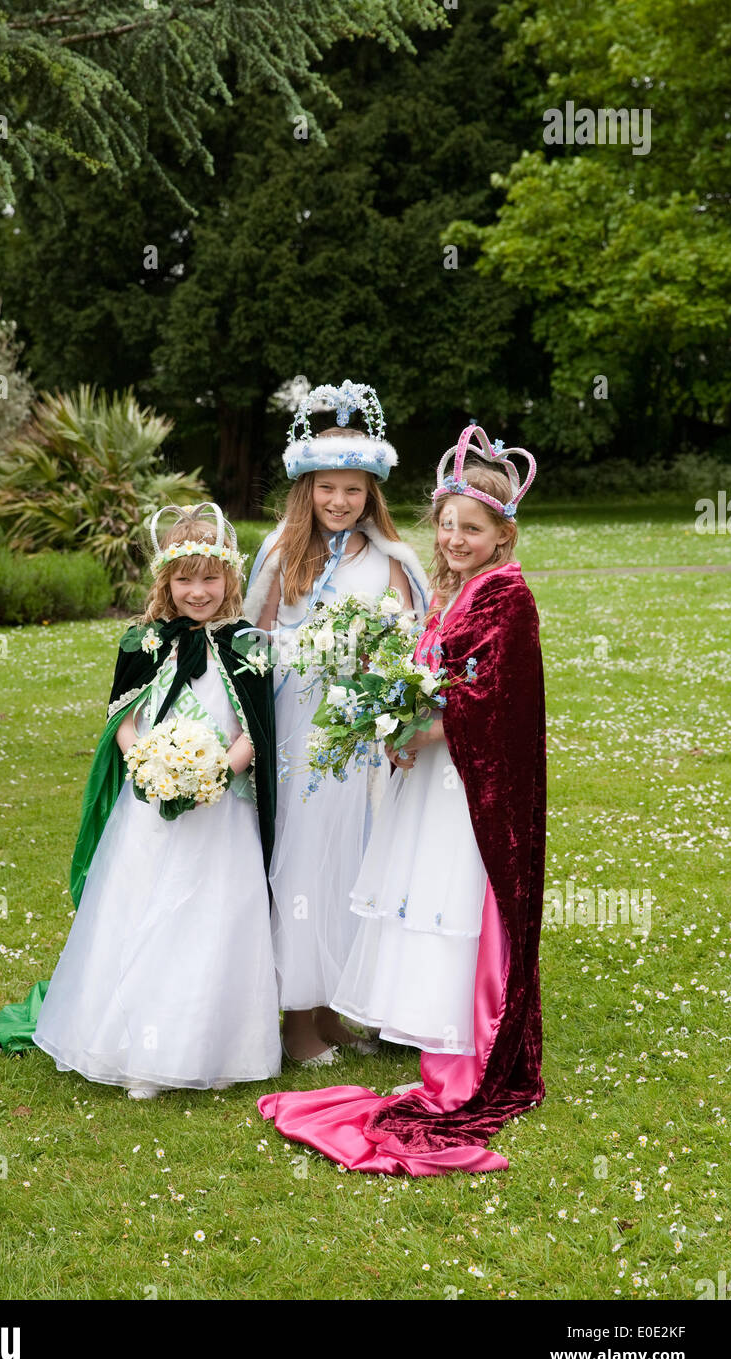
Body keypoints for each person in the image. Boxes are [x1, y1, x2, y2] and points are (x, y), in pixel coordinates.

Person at [258, 424, 547, 1172]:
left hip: (463, 784)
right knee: (424, 895)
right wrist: (398, 715)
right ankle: (423, 1020)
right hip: (428, 776)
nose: (454, 538)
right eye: (447, 524)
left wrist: (429, 724)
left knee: (453, 897)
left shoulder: (505, 596)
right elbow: (429, 670)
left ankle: (466, 1032)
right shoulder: (456, 591)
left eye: (472, 529)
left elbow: (492, 696)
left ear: (501, 536)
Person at [0, 504, 281, 1096]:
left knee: (213, 917)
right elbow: (123, 716)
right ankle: (133, 1045)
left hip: (223, 809)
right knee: (143, 908)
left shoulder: (250, 644)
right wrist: (147, 761)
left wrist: (218, 772)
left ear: (230, 578)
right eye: (184, 579)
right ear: (165, 581)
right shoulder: (143, 641)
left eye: (210, 578)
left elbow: (256, 729)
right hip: (150, 805)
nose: (198, 592)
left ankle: (210, 1048)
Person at [244, 380, 430, 1064]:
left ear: (371, 492)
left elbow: (412, 647)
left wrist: (388, 702)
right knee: (300, 859)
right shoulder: (279, 552)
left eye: (353, 490)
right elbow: (252, 642)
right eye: (327, 488)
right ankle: (295, 1017)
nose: (339, 501)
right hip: (297, 729)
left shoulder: (391, 560)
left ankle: (333, 1005)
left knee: (353, 860)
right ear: (307, 488)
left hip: (357, 733)